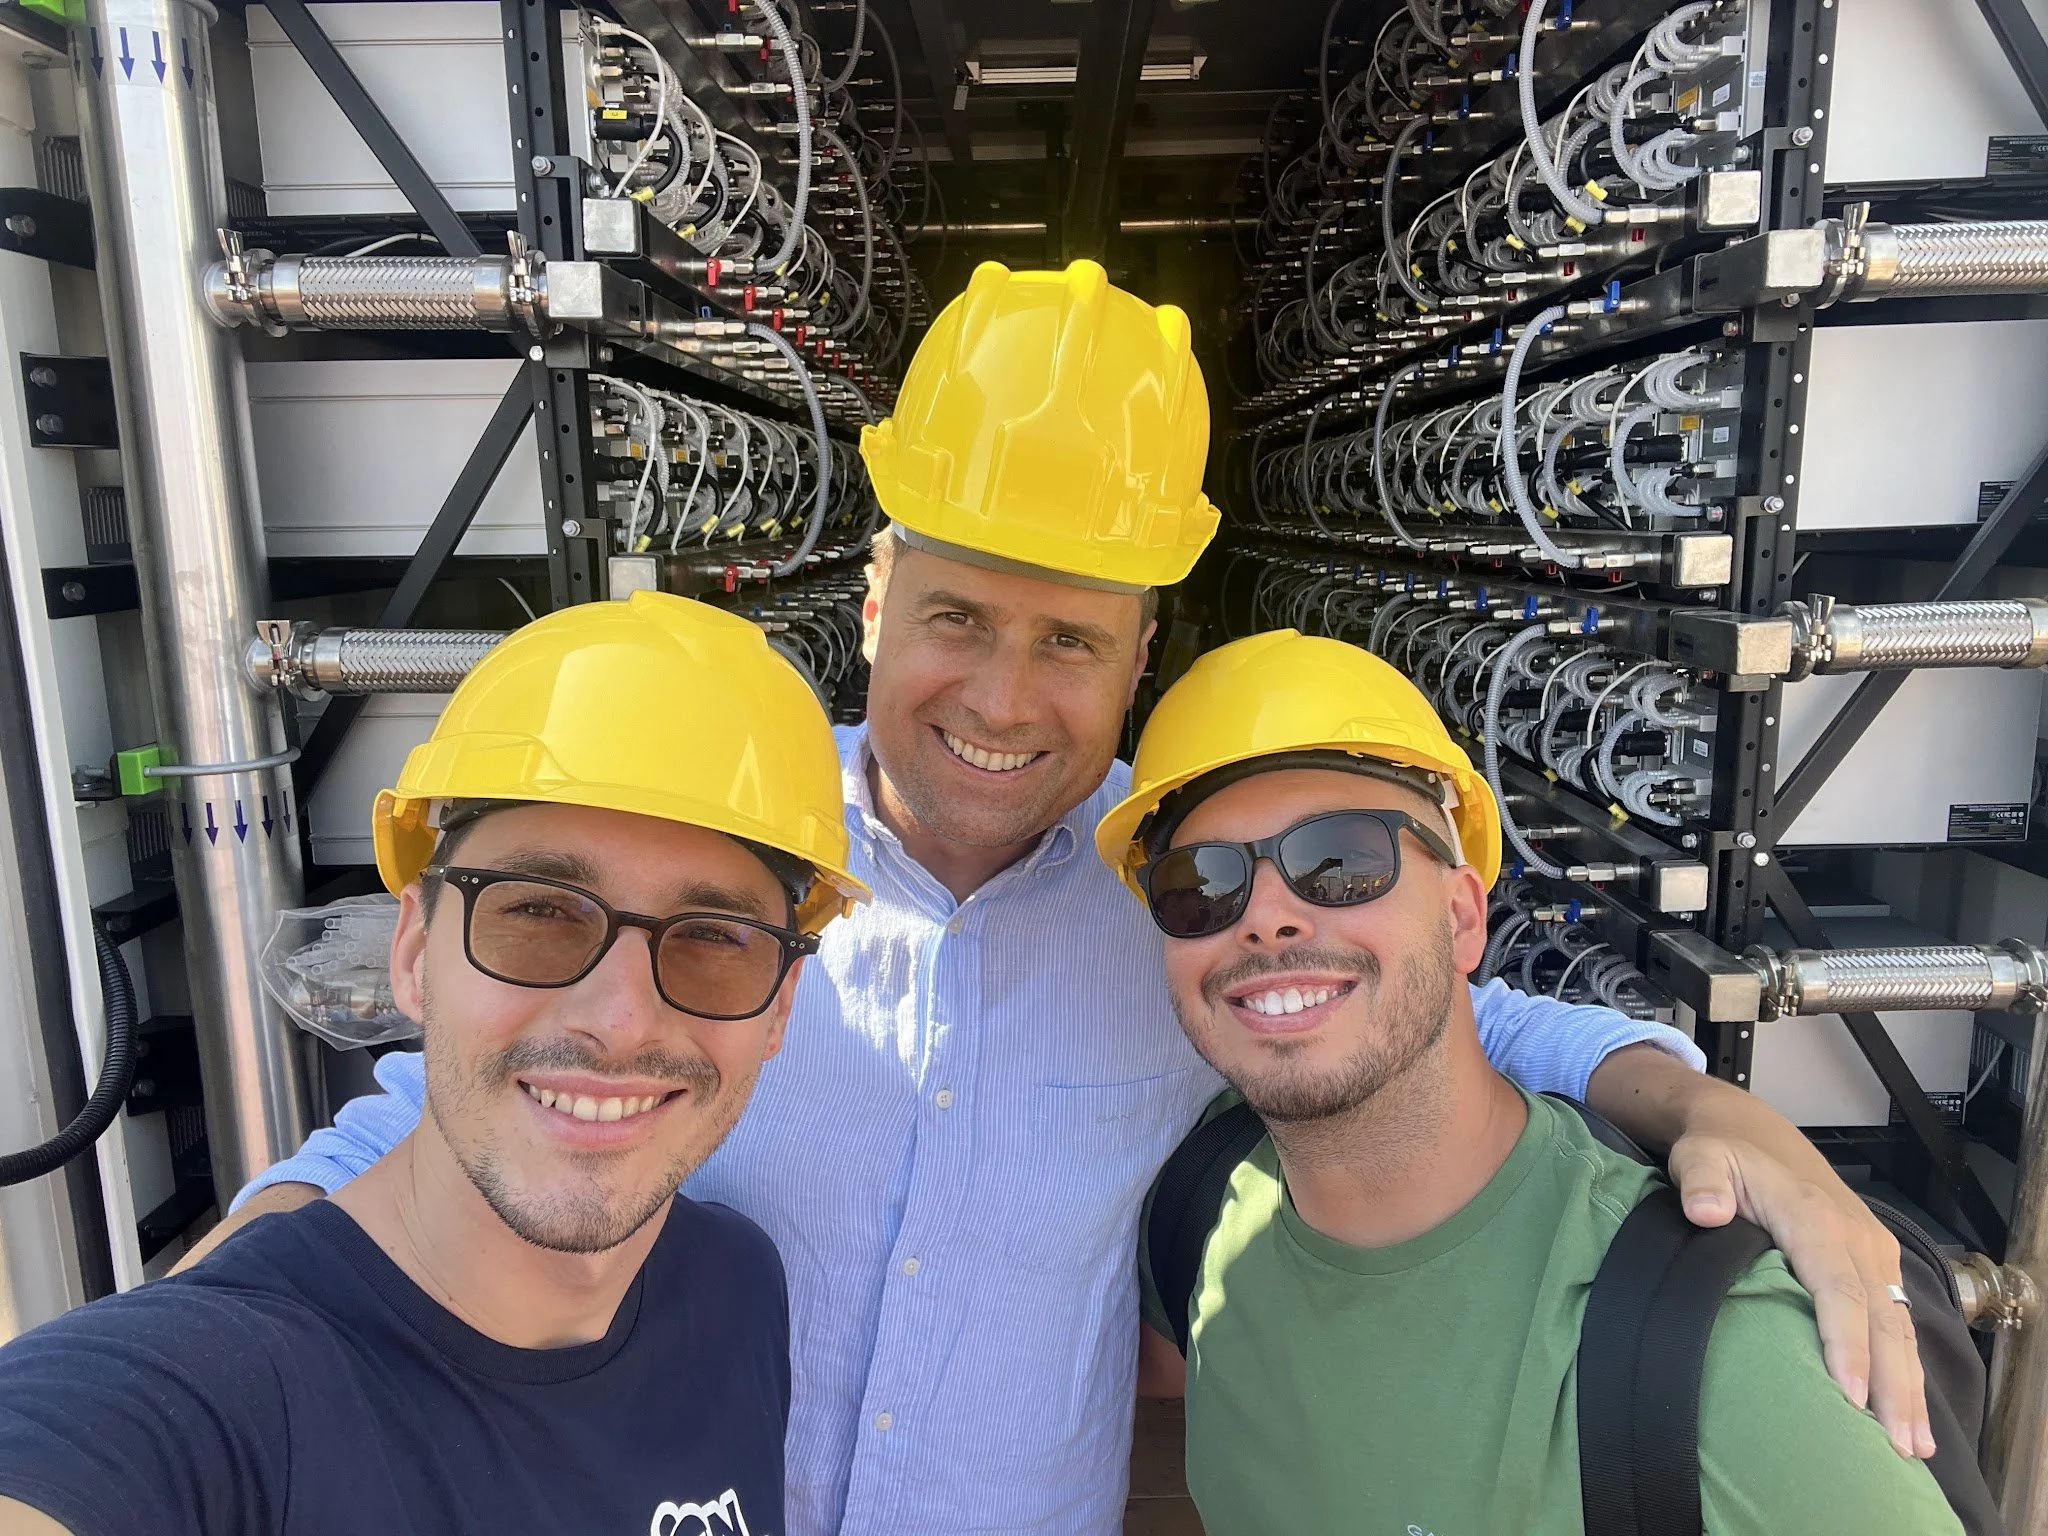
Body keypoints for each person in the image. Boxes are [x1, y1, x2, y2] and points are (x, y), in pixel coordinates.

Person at [197, 261, 1933, 1535]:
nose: (1002, 697)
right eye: (957, 618)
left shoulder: (1184, 904)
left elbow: (1450, 1016)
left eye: (1068, 641)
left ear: (1138, 653)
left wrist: (1707, 1108)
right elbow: (443, 1111)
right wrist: (211, 1328)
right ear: (875, 598)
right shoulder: (726, 854)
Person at [0, 593, 870, 1535]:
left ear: (781, 1005)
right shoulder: (218, 1394)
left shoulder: (737, 1287)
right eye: (538, 911)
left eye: (713, 938)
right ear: (413, 952)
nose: (620, 1021)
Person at [1100, 630, 1962, 1533]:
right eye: (1201, 885)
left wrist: (1705, 1105)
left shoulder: (1723, 1360)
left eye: (1342, 862)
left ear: (1464, 918)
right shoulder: (1202, 1218)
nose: (1267, 920)